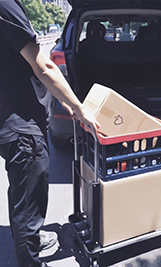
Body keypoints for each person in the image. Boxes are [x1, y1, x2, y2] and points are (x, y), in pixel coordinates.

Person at [0, 1, 99, 267]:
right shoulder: (5, 6)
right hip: (21, 126)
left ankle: (30, 237)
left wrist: (65, 102)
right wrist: (79, 108)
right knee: (27, 203)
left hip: (10, 119)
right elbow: (44, 66)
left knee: (23, 196)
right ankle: (30, 260)